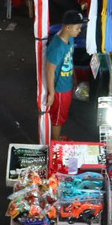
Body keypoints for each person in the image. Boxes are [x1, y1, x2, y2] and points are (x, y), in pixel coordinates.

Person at [42, 11, 83, 140]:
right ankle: (55, 143)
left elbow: (69, 59)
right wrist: (52, 94)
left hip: (67, 85)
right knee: (58, 119)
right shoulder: (57, 47)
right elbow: (49, 71)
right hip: (60, 90)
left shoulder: (70, 38)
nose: (79, 31)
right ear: (68, 27)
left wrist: (74, 77)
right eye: (77, 28)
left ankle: (56, 138)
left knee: (62, 115)